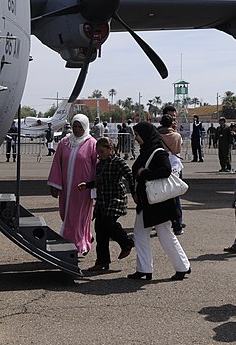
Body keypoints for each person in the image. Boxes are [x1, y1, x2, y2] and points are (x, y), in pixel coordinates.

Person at [127, 121, 191, 281]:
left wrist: (145, 173)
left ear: (146, 135)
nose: (135, 138)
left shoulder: (158, 152)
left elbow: (165, 171)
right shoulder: (146, 151)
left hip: (158, 204)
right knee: (140, 234)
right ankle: (144, 269)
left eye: (137, 135)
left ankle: (182, 267)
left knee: (165, 235)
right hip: (147, 203)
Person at [77, 137, 135, 271]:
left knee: (110, 224)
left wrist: (134, 192)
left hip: (115, 199)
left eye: (102, 152)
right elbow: (98, 182)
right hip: (102, 200)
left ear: (110, 149)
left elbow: (130, 176)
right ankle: (102, 261)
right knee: (100, 230)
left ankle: (126, 243)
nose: (100, 155)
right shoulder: (100, 164)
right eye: (98, 152)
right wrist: (87, 185)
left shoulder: (118, 162)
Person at [47, 114, 98, 255]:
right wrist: (55, 185)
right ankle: (85, 239)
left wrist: (94, 185)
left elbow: (98, 165)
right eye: (74, 126)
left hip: (82, 190)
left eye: (79, 126)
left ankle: (75, 246)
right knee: (66, 215)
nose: (76, 129)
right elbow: (57, 163)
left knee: (77, 218)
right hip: (66, 189)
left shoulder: (91, 143)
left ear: (85, 127)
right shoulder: (64, 142)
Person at [158, 114, 186, 235]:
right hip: (175, 166)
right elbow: (178, 150)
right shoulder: (177, 136)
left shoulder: (157, 135)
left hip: (161, 165)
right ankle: (178, 225)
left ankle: (165, 225)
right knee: (176, 197)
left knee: (162, 196)